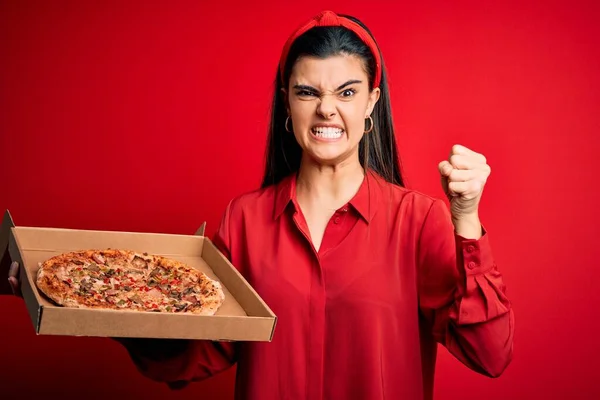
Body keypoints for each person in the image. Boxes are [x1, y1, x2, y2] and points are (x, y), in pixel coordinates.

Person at [7, 10, 514, 400]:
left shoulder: (419, 220)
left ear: (372, 105)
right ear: (286, 103)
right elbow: (197, 355)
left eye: (346, 92)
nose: (326, 109)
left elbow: (490, 355)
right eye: (307, 92)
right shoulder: (244, 219)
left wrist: (465, 218)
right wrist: (99, 307)